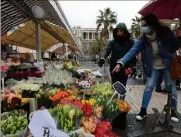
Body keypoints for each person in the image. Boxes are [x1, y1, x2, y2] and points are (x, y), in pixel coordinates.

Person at [113, 14, 181, 122]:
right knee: (149, 86)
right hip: (153, 66)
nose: (143, 27)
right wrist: (121, 62)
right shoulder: (143, 38)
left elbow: (176, 45)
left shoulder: (165, 31)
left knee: (171, 88)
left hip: (168, 64)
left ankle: (174, 111)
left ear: (152, 24)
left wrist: (178, 36)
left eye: (144, 25)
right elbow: (133, 51)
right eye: (142, 25)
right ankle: (143, 111)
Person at [98, 22, 136, 90]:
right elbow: (107, 50)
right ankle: (114, 100)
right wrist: (103, 58)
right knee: (114, 86)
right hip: (113, 67)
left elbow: (132, 54)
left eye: (121, 31)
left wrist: (132, 66)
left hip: (125, 67)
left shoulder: (130, 42)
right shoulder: (113, 42)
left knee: (122, 87)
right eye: (117, 31)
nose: (119, 32)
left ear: (125, 32)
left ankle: (121, 100)